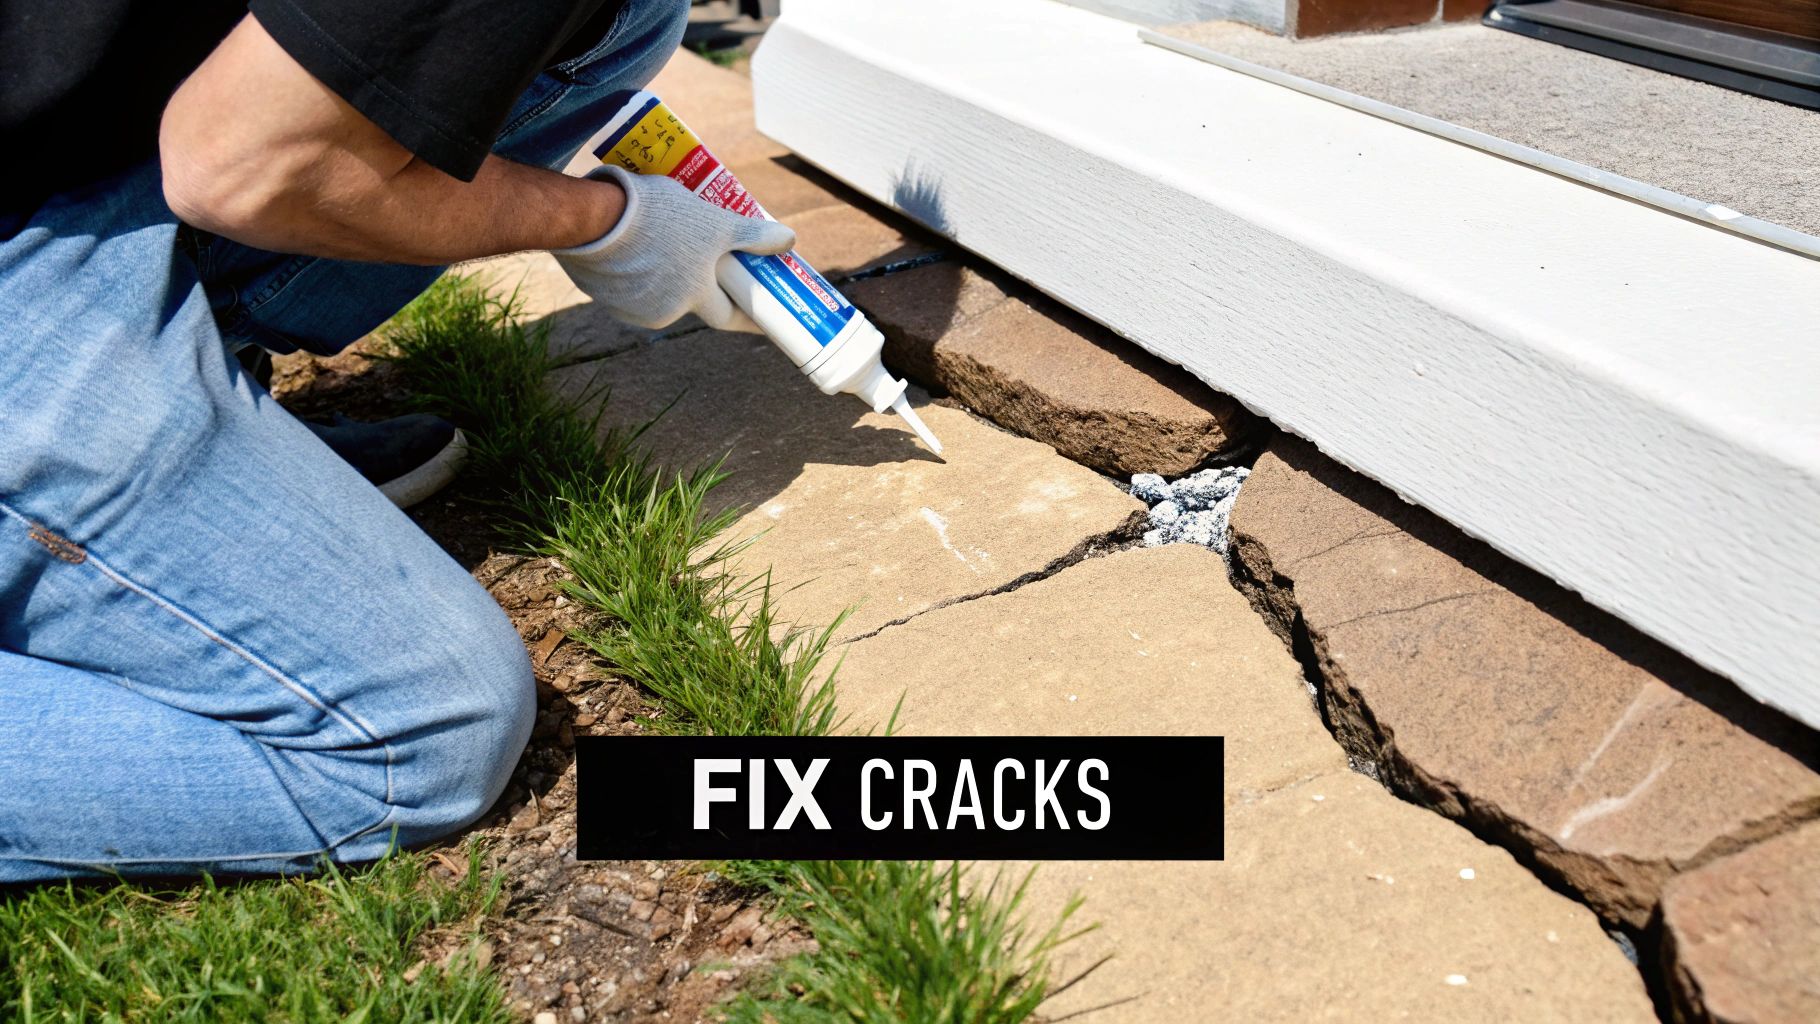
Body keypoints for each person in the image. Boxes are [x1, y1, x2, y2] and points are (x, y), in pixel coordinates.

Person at [0, 0, 793, 881]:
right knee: (428, 729)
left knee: (623, 16)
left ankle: (207, 408)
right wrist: (605, 220)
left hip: (62, 177)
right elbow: (235, 166)